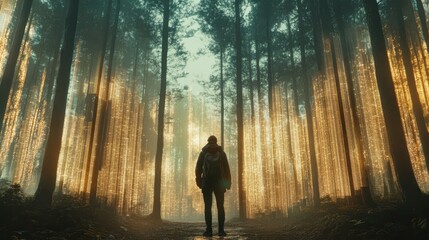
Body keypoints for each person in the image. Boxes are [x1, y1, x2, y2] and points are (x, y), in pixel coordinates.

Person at [195, 135, 231, 237]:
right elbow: (226, 169)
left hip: (207, 183)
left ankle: (209, 231)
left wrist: (199, 182)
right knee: (220, 207)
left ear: (208, 141)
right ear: (216, 141)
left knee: (207, 207)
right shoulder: (221, 153)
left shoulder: (203, 153)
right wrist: (227, 183)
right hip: (219, 183)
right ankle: (221, 231)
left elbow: (198, 169)